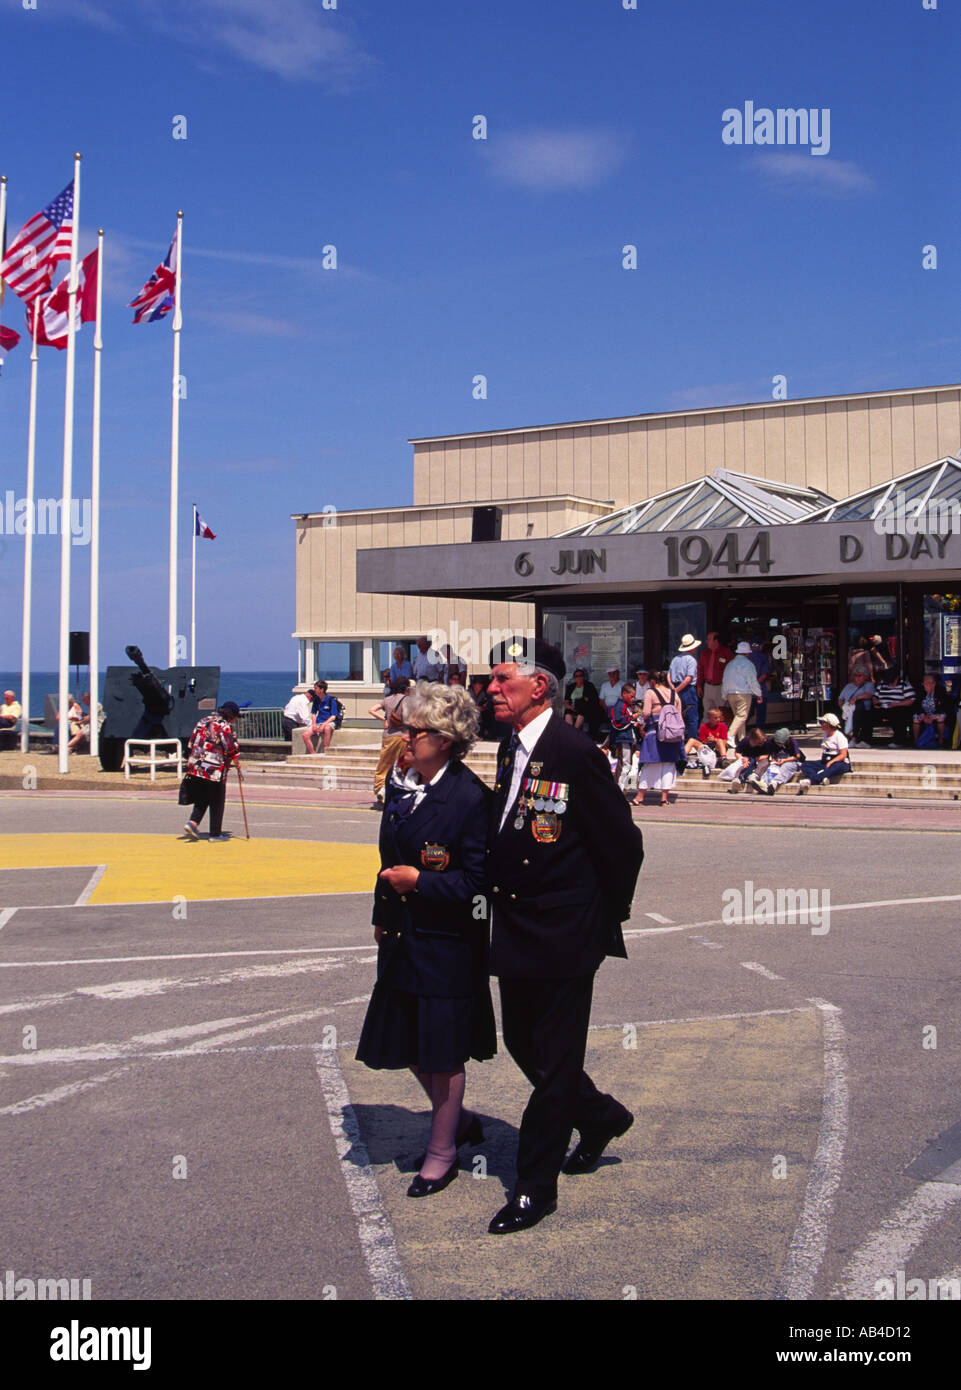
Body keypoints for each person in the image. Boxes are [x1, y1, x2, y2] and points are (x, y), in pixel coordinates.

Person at [485, 636, 643, 1234]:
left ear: (539, 686)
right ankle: (600, 1116)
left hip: (563, 932)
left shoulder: (575, 752)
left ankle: (533, 1188)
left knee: (553, 1063)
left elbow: (623, 844)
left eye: (503, 680)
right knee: (524, 1045)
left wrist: (604, 916)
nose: (493, 690)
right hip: (518, 927)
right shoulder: (510, 749)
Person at [355, 683, 495, 1198]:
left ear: (445, 738)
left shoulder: (471, 799)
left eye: (414, 731)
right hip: (402, 935)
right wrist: (382, 911)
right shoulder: (403, 783)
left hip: (448, 941)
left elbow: (481, 885)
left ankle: (443, 1151)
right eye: (405, 728)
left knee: (441, 1051)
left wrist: (421, 884)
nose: (404, 738)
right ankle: (454, 1120)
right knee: (410, 1042)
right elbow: (385, 859)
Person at [182, 701, 241, 840]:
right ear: (231, 715)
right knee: (217, 799)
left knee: (203, 795)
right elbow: (230, 746)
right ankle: (215, 833)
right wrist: (237, 762)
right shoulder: (224, 726)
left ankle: (193, 822)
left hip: (195, 764)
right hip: (213, 767)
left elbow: (191, 742)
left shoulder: (203, 720)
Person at [631, 669, 683, 807]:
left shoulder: (651, 692)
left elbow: (647, 713)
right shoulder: (674, 694)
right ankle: (664, 798)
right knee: (668, 764)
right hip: (672, 735)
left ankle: (639, 797)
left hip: (655, 733)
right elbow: (679, 715)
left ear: (652, 681)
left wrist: (641, 723)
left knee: (650, 763)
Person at [368, 677, 411, 804]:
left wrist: (384, 720)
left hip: (388, 736)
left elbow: (371, 710)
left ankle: (381, 789)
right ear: (405, 688)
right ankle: (400, 791)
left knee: (384, 766)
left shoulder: (386, 700)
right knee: (402, 765)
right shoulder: (407, 700)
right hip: (403, 736)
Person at [795, 713, 850, 793]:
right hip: (825, 761)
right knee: (805, 765)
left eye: (822, 723)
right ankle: (821, 778)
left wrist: (831, 762)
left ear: (829, 724)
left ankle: (812, 780)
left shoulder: (840, 736)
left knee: (835, 767)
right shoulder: (826, 734)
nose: (821, 725)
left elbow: (843, 755)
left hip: (839, 762)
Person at [722, 641, 762, 744]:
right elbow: (752, 681)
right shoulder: (748, 664)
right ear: (747, 653)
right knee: (742, 716)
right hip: (743, 693)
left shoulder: (730, 664)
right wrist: (758, 693)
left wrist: (724, 695)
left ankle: (742, 741)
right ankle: (729, 736)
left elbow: (725, 680)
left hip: (730, 694)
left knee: (739, 718)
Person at [717, 727, 776, 792]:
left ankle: (754, 776)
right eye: (759, 743)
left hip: (760, 758)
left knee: (765, 763)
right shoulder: (745, 741)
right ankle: (737, 779)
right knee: (745, 765)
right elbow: (737, 752)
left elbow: (766, 755)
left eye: (763, 741)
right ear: (753, 740)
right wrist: (742, 759)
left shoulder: (766, 742)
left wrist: (755, 759)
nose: (762, 744)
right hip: (746, 759)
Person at [746, 727, 802, 795]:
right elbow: (771, 755)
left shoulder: (792, 742)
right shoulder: (772, 742)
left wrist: (785, 760)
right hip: (778, 761)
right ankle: (764, 784)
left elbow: (797, 756)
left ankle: (774, 783)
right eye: (777, 743)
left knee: (786, 767)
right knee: (771, 768)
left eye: (781, 743)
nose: (779, 744)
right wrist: (774, 760)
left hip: (791, 761)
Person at [669, 635, 701, 746]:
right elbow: (689, 678)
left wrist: (673, 687)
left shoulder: (675, 659)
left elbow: (668, 674)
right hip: (687, 689)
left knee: (678, 715)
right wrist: (678, 689)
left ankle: (679, 740)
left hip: (675, 687)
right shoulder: (691, 660)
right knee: (692, 716)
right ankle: (692, 741)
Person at [608, 682, 639, 792]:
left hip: (629, 738)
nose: (633, 699)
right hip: (623, 738)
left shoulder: (628, 706)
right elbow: (617, 722)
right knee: (625, 765)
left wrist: (634, 721)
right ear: (624, 694)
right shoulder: (619, 706)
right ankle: (618, 791)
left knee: (629, 765)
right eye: (631, 696)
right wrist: (632, 718)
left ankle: (622, 789)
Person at [872, 671, 916, 747]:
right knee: (867, 714)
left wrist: (896, 704)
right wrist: (876, 703)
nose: (890, 684)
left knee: (898, 714)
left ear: (897, 679)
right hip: (883, 708)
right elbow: (874, 698)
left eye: (892, 682)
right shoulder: (881, 685)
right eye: (888, 682)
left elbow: (911, 700)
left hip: (898, 708)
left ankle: (898, 741)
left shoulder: (904, 685)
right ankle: (865, 740)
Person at [697, 632, 733, 714]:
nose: (706, 641)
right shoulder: (705, 654)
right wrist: (699, 685)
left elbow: (732, 672)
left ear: (715, 641)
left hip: (721, 687)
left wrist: (729, 690)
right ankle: (706, 727)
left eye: (709, 639)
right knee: (707, 712)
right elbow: (700, 669)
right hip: (708, 686)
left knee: (721, 712)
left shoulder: (726, 653)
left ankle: (722, 727)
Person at [685, 707, 729, 775]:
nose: (718, 719)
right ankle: (682, 757)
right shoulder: (704, 726)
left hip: (717, 749)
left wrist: (714, 739)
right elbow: (702, 741)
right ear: (709, 718)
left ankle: (724, 759)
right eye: (715, 718)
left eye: (719, 717)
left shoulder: (723, 726)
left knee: (720, 740)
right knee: (691, 740)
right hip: (707, 749)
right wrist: (707, 740)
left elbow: (725, 742)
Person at [836, 670, 875, 746]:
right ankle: (843, 738)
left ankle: (854, 738)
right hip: (847, 708)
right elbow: (840, 699)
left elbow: (868, 694)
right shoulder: (848, 686)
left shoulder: (868, 685)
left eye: (860, 675)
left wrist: (856, 698)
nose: (857, 678)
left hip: (863, 709)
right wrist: (842, 707)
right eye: (855, 675)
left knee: (858, 711)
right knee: (839, 715)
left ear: (865, 677)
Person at [913, 674, 952, 748]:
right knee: (915, 718)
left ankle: (941, 741)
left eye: (927, 683)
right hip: (924, 713)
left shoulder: (941, 690)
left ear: (933, 683)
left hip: (936, 713)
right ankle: (916, 740)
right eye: (924, 683)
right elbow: (916, 705)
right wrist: (923, 715)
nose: (925, 685)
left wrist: (934, 715)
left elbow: (946, 706)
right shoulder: (920, 690)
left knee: (941, 718)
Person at [563, 668, 603, 737]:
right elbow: (565, 702)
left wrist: (587, 699)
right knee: (567, 714)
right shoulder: (571, 687)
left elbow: (595, 699)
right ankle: (570, 735)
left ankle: (574, 735)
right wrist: (570, 707)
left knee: (581, 715)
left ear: (583, 677)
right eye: (576, 676)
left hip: (585, 709)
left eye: (580, 675)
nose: (578, 677)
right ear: (574, 678)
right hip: (572, 708)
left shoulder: (589, 686)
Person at [307, 680, 340, 754]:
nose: (314, 690)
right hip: (319, 721)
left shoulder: (331, 700)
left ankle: (326, 750)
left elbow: (333, 716)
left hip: (329, 722)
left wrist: (324, 725)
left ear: (321, 690)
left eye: (316, 688)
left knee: (327, 729)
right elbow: (313, 713)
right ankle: (313, 754)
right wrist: (314, 724)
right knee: (305, 735)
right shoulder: (316, 700)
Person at [282, 684, 314, 751]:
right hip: (291, 723)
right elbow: (305, 717)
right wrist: (312, 725)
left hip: (285, 720)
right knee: (294, 743)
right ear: (310, 697)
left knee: (288, 743)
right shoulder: (303, 701)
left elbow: (287, 707)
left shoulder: (296, 697)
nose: (311, 702)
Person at [748, 640, 771, 731]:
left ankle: (738, 732)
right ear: (761, 646)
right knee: (760, 715)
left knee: (747, 714)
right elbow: (764, 675)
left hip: (747, 690)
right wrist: (755, 685)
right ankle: (759, 733)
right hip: (760, 691)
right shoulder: (763, 657)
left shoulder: (746, 657)